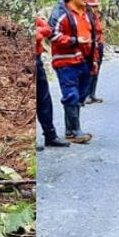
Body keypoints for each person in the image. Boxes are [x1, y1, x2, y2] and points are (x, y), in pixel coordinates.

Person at [50, 0, 96, 144]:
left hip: (83, 60)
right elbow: (52, 35)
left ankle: (70, 130)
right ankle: (76, 131)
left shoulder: (87, 12)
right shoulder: (61, 14)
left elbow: (94, 36)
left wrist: (94, 59)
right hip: (66, 61)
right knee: (71, 94)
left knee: (81, 95)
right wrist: (74, 41)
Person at [36, 15, 69, 151]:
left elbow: (48, 30)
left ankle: (50, 135)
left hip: (37, 60)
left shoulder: (35, 18)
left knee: (44, 99)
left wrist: (38, 32)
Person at [84, 0, 105, 105]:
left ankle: (92, 94)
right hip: (92, 46)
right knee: (90, 69)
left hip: (99, 45)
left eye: (96, 6)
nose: (96, 8)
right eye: (93, 6)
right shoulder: (85, 18)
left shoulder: (95, 17)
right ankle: (86, 94)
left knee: (96, 70)